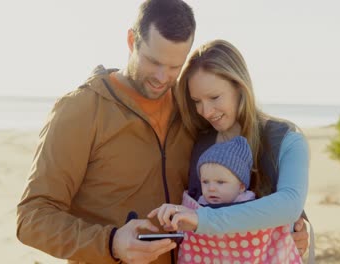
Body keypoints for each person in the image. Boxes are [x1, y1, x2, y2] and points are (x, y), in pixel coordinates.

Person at [16, 1, 309, 263]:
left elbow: (240, 174)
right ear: (132, 41)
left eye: (174, 67)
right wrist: (112, 242)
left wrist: (296, 225)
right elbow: (32, 218)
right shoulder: (81, 109)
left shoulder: (189, 110)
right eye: (153, 62)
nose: (161, 78)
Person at [149, 39, 313, 261]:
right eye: (196, 101)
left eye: (214, 97)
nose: (205, 111)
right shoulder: (198, 141)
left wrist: (203, 220)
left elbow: (290, 204)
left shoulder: (287, 140)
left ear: (239, 86)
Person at [171, 135, 303, 263]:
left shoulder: (253, 204)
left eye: (220, 182)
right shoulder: (197, 204)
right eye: (205, 181)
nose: (211, 188)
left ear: (241, 187)